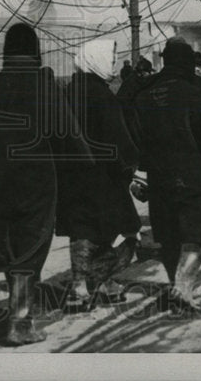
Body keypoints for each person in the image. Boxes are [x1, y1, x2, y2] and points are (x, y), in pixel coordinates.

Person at [0, 23, 81, 345]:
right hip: (36, 179)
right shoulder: (44, 85)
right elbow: (67, 135)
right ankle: (20, 322)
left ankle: (18, 311)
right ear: (35, 50)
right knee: (31, 246)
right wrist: (86, 164)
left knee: (9, 245)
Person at [131, 38, 201, 314]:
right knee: (194, 235)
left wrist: (143, 169)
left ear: (164, 60)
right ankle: (183, 290)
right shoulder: (197, 88)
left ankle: (176, 284)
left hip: (160, 175)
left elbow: (136, 137)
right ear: (188, 60)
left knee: (169, 236)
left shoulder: (145, 92)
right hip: (196, 173)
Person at [59, 39, 141, 311]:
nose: (114, 62)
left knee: (82, 228)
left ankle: (82, 286)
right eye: (111, 57)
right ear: (96, 60)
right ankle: (99, 279)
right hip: (105, 177)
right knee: (125, 229)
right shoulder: (102, 96)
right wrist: (130, 166)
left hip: (73, 176)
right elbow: (119, 140)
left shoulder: (69, 92)